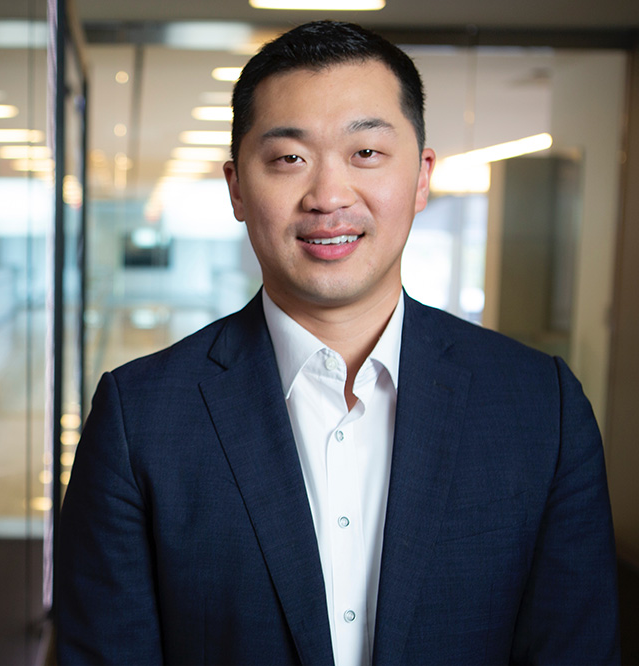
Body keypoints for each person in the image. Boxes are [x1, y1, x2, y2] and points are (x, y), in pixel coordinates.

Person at [54, 20, 619, 665]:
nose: (327, 197)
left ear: (421, 177)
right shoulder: (141, 417)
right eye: (289, 158)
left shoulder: (539, 407)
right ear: (237, 187)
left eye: (367, 154)